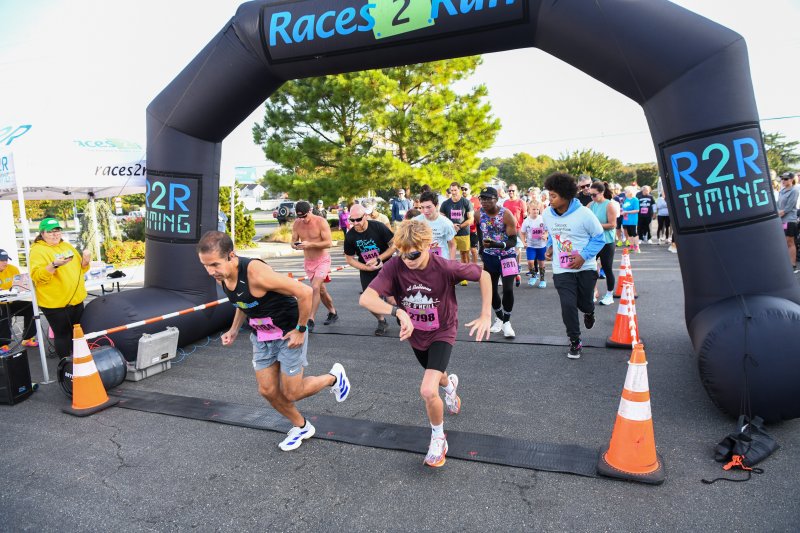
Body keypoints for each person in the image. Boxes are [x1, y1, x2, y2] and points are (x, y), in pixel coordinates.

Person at [197, 231, 350, 451]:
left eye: (214, 264)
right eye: (205, 265)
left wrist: (300, 329)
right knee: (267, 390)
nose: (210, 271)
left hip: (289, 332)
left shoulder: (256, 273)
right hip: (262, 336)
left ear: (231, 255)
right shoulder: (223, 275)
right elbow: (244, 303)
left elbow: (305, 292)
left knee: (292, 392)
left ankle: (333, 378)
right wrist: (233, 330)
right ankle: (302, 426)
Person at [359, 219, 492, 467]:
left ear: (429, 245)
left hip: (443, 330)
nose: (408, 259)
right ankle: (450, 384)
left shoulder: (444, 267)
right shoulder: (395, 266)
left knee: (428, 389)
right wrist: (397, 311)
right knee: (437, 375)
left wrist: (486, 314)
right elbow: (366, 299)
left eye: (414, 254)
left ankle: (439, 438)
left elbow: (483, 275)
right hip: (415, 334)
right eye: (402, 253)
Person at [542, 173, 606, 359]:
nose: (550, 199)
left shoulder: (585, 214)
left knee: (584, 302)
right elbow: (553, 234)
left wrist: (583, 256)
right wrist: (550, 248)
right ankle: (575, 340)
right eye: (549, 195)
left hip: (585, 267)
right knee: (568, 304)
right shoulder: (547, 214)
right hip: (561, 269)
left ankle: (589, 311)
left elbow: (599, 238)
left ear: (566, 195)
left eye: (553, 196)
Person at [29, 218, 91, 358]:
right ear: (42, 233)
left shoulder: (67, 246)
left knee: (78, 333)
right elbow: (38, 276)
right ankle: (65, 366)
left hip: (76, 299)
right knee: (63, 335)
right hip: (55, 303)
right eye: (50, 232)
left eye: (57, 231)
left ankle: (80, 362)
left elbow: (80, 269)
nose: (55, 234)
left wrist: (85, 261)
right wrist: (54, 265)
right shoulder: (37, 250)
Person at [343, 203, 396, 336]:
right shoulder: (350, 236)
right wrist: (366, 268)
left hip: (386, 266)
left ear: (365, 216)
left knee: (391, 299)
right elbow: (349, 259)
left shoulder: (378, 226)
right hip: (367, 269)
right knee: (368, 301)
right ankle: (382, 321)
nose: (355, 223)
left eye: (358, 219)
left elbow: (394, 245)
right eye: (352, 220)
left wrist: (380, 258)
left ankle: (403, 315)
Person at [477, 186, 518, 338]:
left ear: (496, 199)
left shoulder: (506, 215)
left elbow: (514, 240)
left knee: (507, 289)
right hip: (490, 257)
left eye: (488, 199)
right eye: (482, 198)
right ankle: (499, 318)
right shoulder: (478, 214)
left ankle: (507, 322)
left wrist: (497, 245)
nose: (485, 202)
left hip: (507, 255)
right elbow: (480, 231)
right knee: (491, 290)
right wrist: (482, 249)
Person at [291, 201, 338, 331]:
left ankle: (310, 319)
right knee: (321, 290)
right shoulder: (297, 223)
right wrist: (295, 245)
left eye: (305, 216)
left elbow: (329, 243)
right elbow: (292, 241)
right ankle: (333, 312)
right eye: (300, 217)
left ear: (310, 211)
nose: (303, 220)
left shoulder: (321, 222)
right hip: (308, 262)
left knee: (315, 287)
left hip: (322, 260)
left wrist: (310, 244)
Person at [0, 249, 37, 351]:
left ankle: (27, 338)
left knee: (31, 306)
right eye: (2, 260)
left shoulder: (13, 269)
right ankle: (3, 344)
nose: (5, 262)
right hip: (1, 304)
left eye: (6, 260)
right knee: (3, 310)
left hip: (12, 301)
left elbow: (19, 285)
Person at [589, 181, 619, 306]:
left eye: (594, 195)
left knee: (607, 268)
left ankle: (609, 295)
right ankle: (592, 292)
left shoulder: (609, 205)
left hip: (607, 242)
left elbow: (613, 225)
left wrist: (596, 226)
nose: (592, 197)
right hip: (594, 242)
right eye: (591, 195)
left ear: (601, 193)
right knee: (590, 268)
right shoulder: (591, 204)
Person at [439, 182, 474, 269]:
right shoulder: (445, 203)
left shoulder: (466, 202)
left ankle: (464, 275)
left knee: (464, 254)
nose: (453, 192)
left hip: (463, 232)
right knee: (449, 254)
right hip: (450, 233)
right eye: (452, 190)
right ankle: (451, 274)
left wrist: (459, 226)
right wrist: (451, 226)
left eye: (455, 190)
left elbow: (471, 219)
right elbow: (441, 219)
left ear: (460, 190)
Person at [414, 191, 456, 260]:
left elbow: (452, 245)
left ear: (436, 206)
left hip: (441, 262)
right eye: (422, 207)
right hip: (423, 261)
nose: (425, 211)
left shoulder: (446, 223)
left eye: (428, 207)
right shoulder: (416, 221)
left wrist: (451, 264)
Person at [502, 184, 527, 287]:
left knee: (517, 250)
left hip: (518, 229)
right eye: (509, 191)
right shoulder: (505, 202)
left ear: (516, 191)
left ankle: (518, 269)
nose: (511, 192)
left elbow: (525, 218)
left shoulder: (521, 202)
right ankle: (511, 274)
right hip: (507, 230)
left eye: (512, 190)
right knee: (507, 252)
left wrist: (524, 233)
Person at [519, 203, 548, 288]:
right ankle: (534, 275)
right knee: (530, 262)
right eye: (533, 209)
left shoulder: (542, 219)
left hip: (541, 245)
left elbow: (547, 230)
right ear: (529, 211)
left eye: (537, 209)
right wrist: (524, 242)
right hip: (531, 245)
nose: (535, 211)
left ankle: (542, 280)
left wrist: (546, 235)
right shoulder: (526, 221)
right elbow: (522, 233)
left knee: (541, 263)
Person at [778, 172, 799, 273]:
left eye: (786, 179)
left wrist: (777, 215)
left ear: (791, 180)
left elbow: (789, 207)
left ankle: (793, 265)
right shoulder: (781, 191)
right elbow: (779, 206)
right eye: (782, 178)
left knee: (790, 242)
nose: (783, 180)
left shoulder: (794, 190)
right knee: (785, 242)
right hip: (782, 220)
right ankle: (787, 264)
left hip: (790, 220)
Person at [463, 183, 482, 264]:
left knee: (473, 250)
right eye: (462, 189)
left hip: (473, 229)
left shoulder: (476, 200)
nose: (463, 191)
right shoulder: (460, 200)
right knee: (464, 251)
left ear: (470, 190)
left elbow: (480, 213)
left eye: (465, 189)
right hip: (463, 229)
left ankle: (474, 267)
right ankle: (466, 268)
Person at [620, 186, 641, 252]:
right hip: (626, 219)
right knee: (629, 234)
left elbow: (637, 210)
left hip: (632, 219)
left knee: (634, 233)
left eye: (626, 191)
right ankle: (631, 247)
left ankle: (637, 247)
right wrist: (622, 212)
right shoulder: (626, 199)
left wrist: (627, 212)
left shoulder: (635, 200)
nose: (624, 193)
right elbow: (624, 208)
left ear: (630, 192)